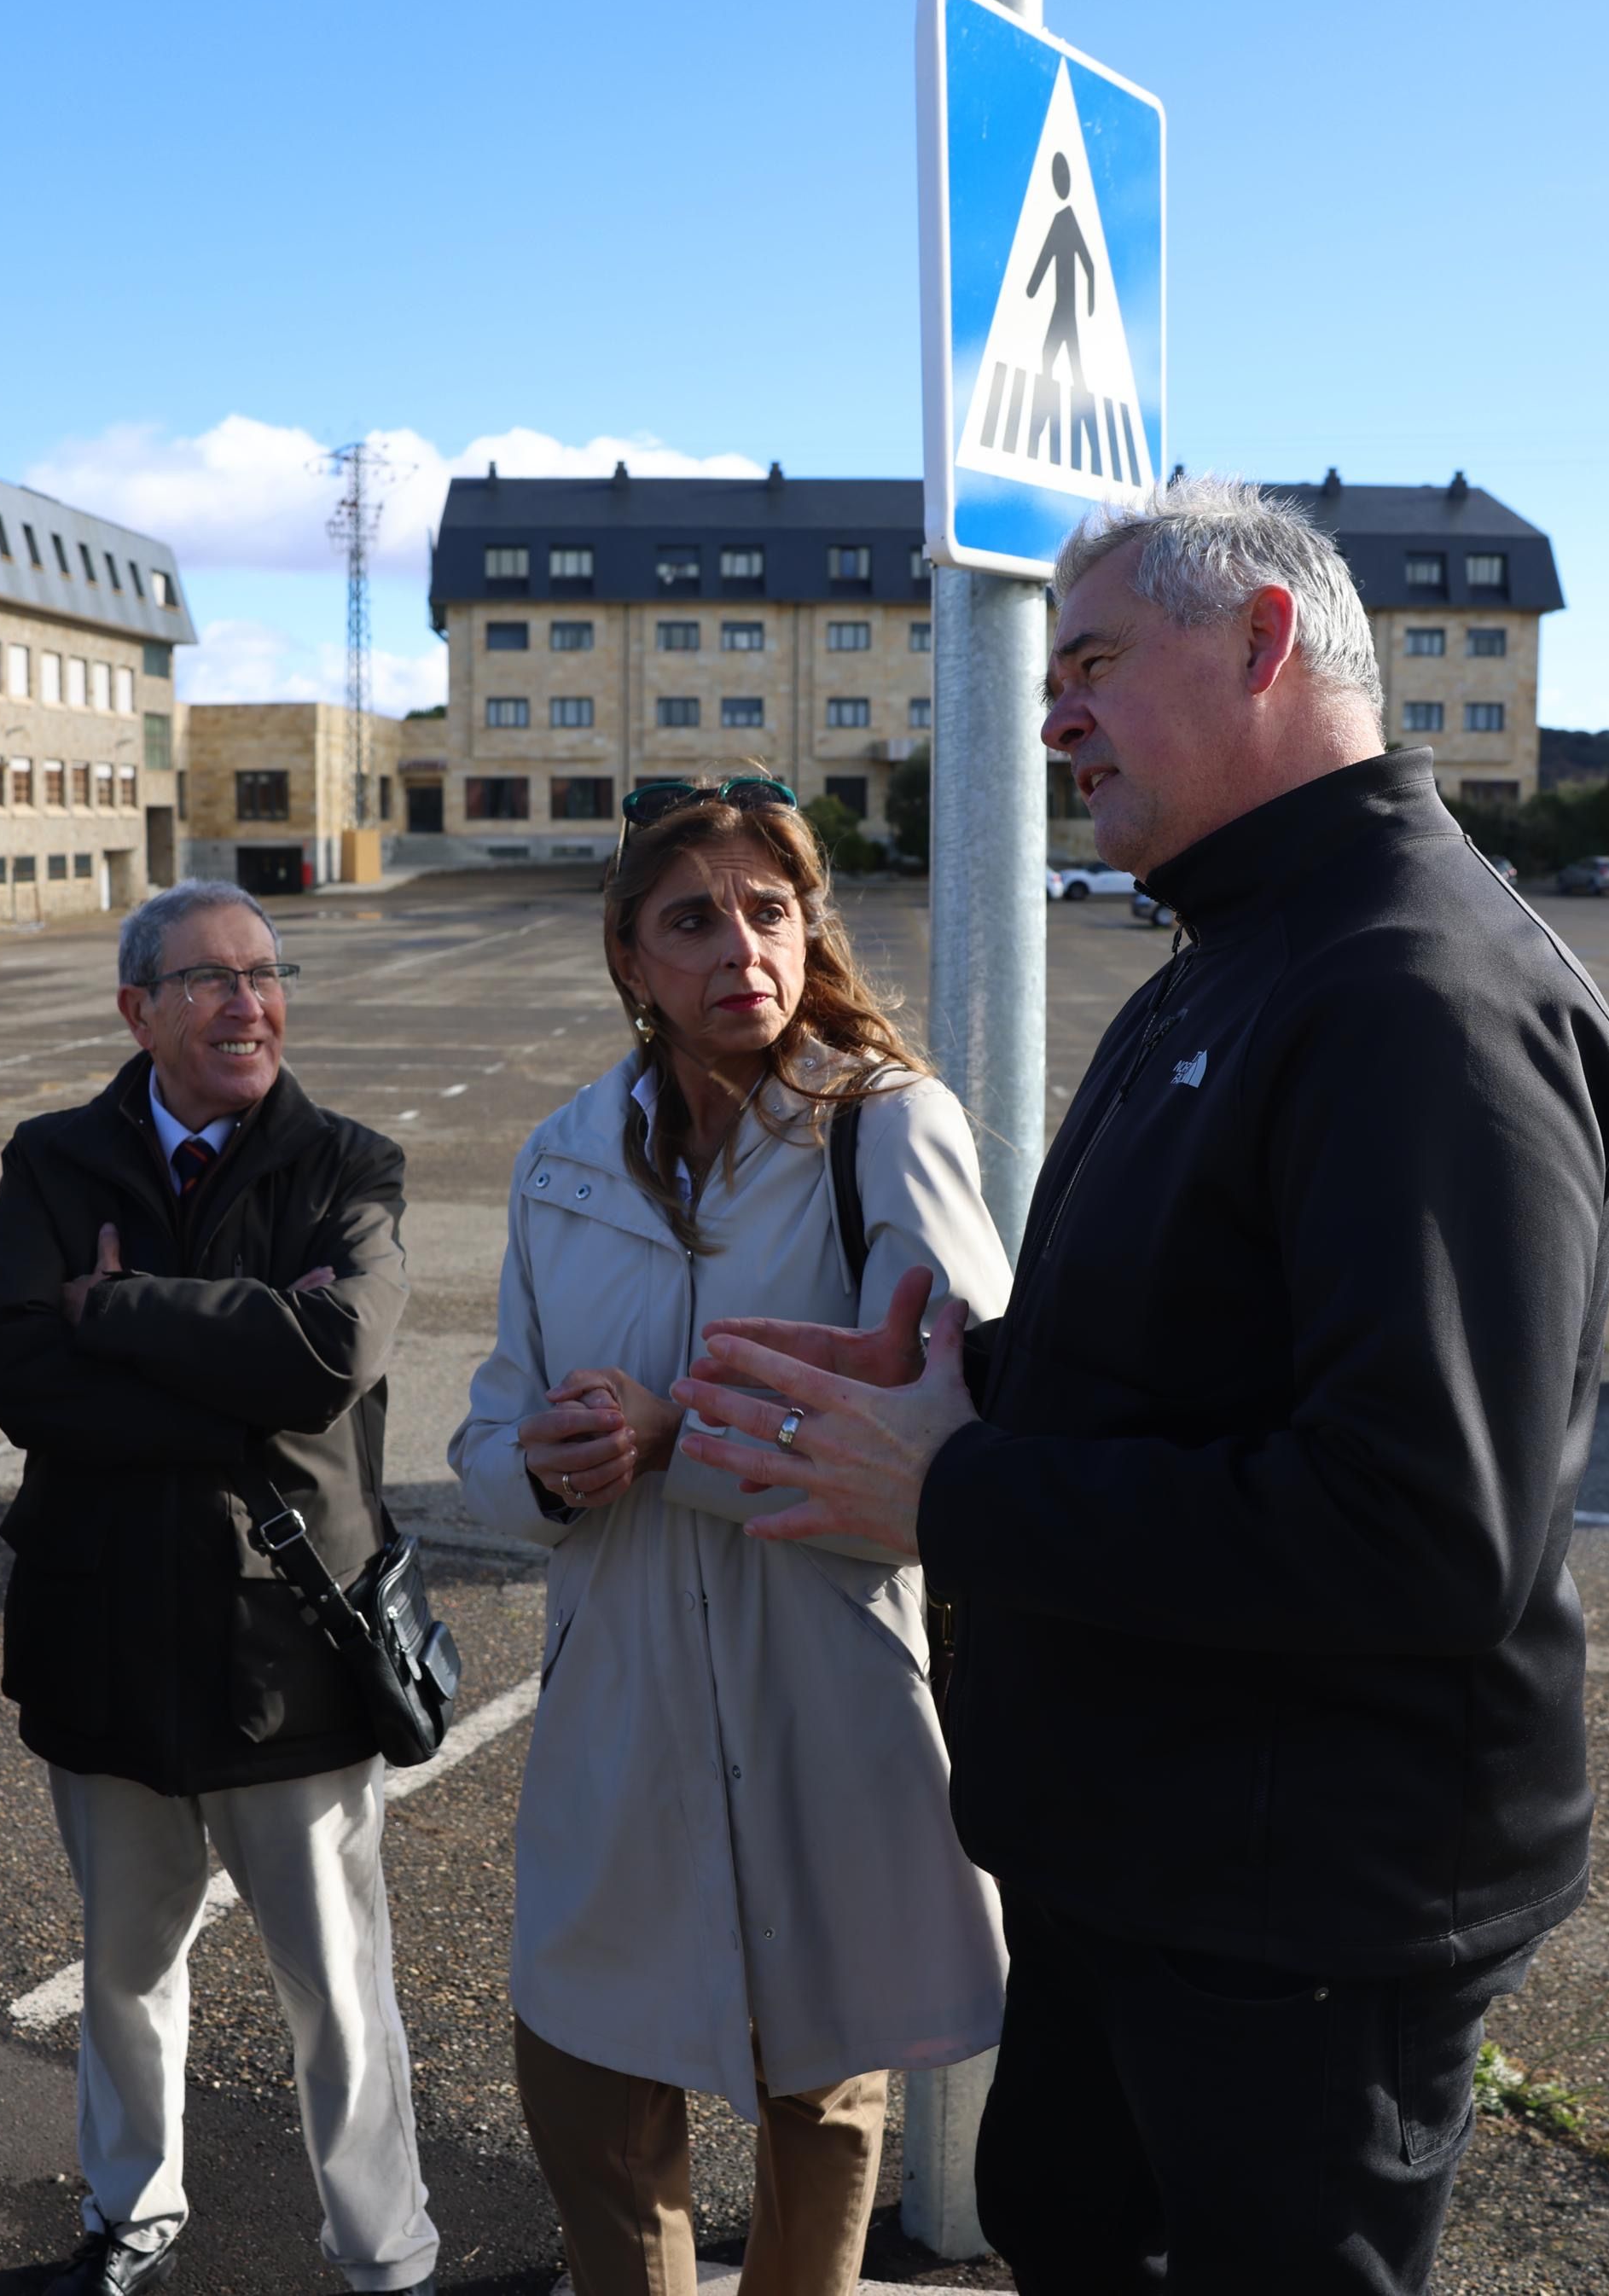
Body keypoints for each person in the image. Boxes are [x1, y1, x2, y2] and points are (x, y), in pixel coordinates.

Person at [677, 477, 1609, 2296]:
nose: (1052, 714)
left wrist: (949, 1493)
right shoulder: (1231, 955)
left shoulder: (1413, 991)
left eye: (1097, 659)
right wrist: (958, 1380)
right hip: (1149, 1868)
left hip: (1299, 1918)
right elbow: (1178, 1346)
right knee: (1065, 2223)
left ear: (1265, 641)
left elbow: (1419, 1526)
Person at [450, 782, 1010, 2296]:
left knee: (817, 2089)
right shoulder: (566, 1152)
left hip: (816, 1687)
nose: (740, 948)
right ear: (630, 958)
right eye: (692, 918)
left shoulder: (885, 1127)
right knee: (592, 2093)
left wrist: (671, 1442)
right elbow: (488, 1435)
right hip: (617, 1695)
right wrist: (552, 1472)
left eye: (770, 911)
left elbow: (960, 1429)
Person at [0, 878, 434, 2296]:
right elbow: (19, 1377)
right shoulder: (55, 1161)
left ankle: (388, 2251)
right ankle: (134, 2214)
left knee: (338, 1993)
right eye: (211, 979)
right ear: (138, 1009)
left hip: (288, 1651)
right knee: (122, 1976)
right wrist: (233, 1398)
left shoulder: (347, 1161)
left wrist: (119, 1311)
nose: (250, 1002)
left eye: (266, 973)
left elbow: (331, 1354)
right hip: (101, 1646)